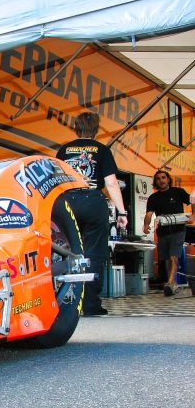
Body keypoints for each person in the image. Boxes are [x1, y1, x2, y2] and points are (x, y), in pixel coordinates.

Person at [57, 111, 128, 316]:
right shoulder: (102, 150)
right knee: (94, 253)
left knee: (67, 251)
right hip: (93, 203)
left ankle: (66, 301)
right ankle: (89, 305)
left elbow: (56, 180)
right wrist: (122, 212)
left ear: (76, 128)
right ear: (96, 129)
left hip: (67, 202)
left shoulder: (63, 150)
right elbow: (111, 183)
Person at [143, 170, 191, 296]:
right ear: (155, 182)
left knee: (173, 256)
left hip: (178, 230)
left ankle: (169, 283)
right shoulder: (153, 198)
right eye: (158, 178)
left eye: (163, 177)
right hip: (162, 232)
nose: (161, 180)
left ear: (168, 179)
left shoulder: (178, 192)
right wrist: (146, 225)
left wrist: (193, 215)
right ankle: (173, 283)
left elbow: (192, 200)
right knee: (166, 259)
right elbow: (149, 214)